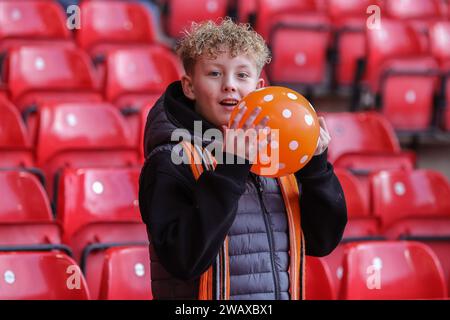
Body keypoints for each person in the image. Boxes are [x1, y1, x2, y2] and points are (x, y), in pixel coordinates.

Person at [139, 18, 347, 300]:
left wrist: (316, 169)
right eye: (214, 74)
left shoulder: (277, 152)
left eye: (242, 75)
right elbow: (183, 260)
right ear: (189, 86)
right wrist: (232, 166)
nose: (229, 86)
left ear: (259, 86)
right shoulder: (170, 159)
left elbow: (321, 242)